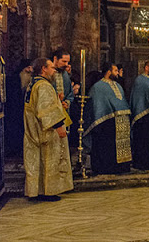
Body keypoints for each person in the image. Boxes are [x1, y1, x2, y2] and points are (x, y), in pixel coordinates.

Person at [23, 58, 73, 201]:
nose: (54, 70)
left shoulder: (33, 84)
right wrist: (58, 127)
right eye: (51, 67)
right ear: (43, 69)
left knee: (36, 161)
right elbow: (45, 110)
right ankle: (47, 191)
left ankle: (37, 191)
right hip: (47, 131)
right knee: (49, 159)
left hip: (33, 130)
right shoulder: (44, 86)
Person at [83, 63, 132, 175]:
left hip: (121, 120)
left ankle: (121, 166)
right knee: (107, 146)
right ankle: (106, 168)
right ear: (109, 72)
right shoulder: (98, 87)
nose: (118, 73)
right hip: (105, 122)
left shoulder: (118, 86)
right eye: (115, 70)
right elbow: (96, 105)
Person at [52, 48, 75, 113]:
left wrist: (67, 103)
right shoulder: (48, 73)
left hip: (64, 112)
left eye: (68, 62)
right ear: (55, 59)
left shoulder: (65, 74)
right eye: (64, 61)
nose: (66, 64)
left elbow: (70, 93)